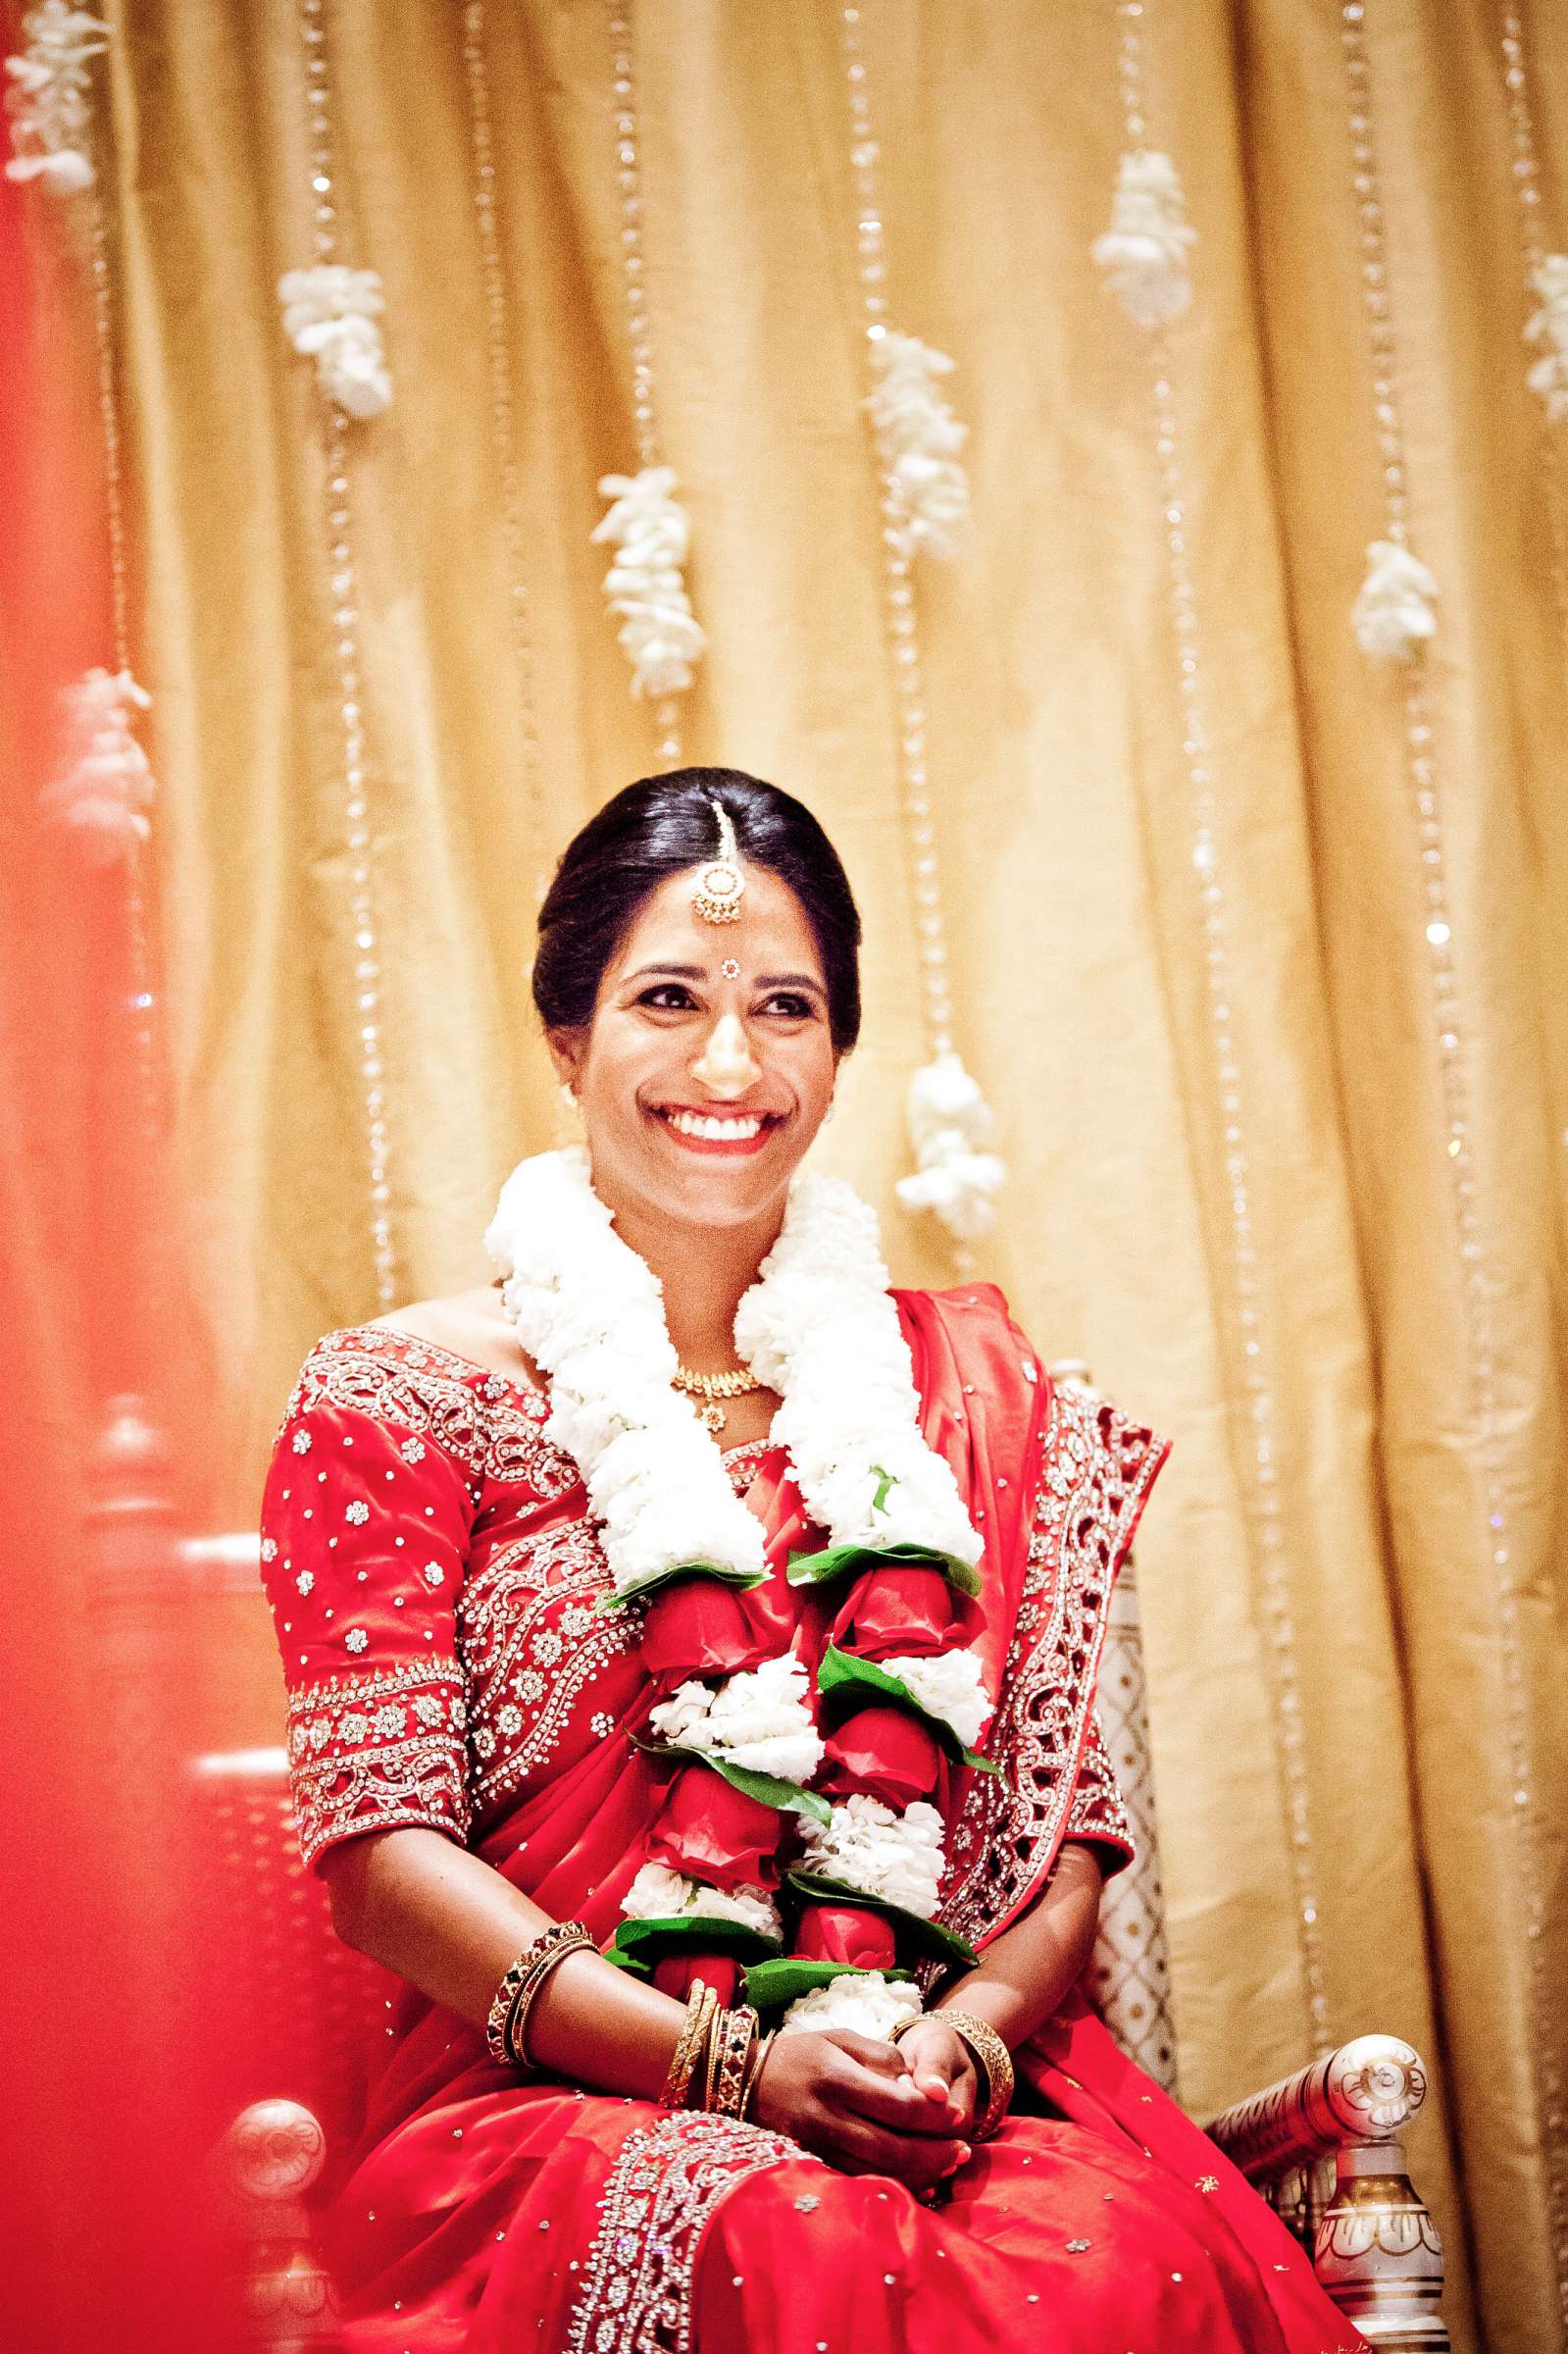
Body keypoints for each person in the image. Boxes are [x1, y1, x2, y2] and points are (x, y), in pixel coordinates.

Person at [260, 768, 1367, 2354]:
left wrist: (963, 2051)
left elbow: (1066, 1845)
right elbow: (380, 1858)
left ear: (839, 1053)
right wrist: (726, 2070)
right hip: (549, 2109)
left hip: (930, 2097)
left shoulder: (972, 1398)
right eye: (667, 999)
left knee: (1105, 2264)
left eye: (785, 1006)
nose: (730, 1060)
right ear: (567, 1036)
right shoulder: (401, 1400)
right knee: (777, 2241)